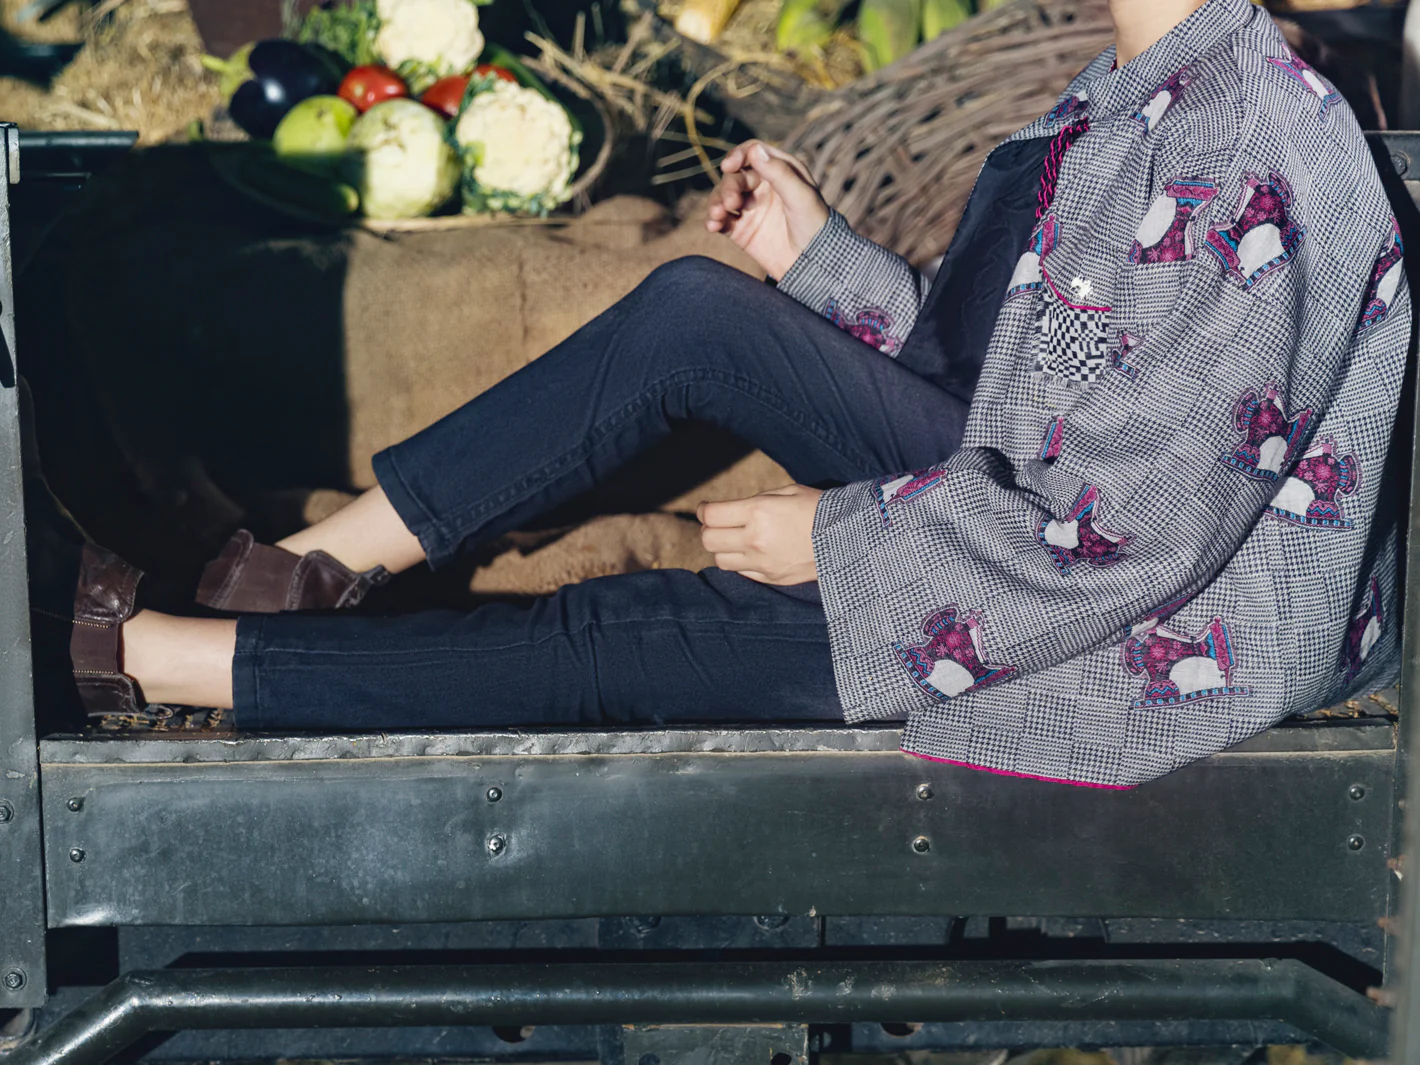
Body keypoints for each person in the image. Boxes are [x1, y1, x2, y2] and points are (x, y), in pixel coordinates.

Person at [30, 0, 1411, 788]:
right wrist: (825, 265)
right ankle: (297, 575)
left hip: (1125, 621)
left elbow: (1143, 537)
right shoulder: (1137, 89)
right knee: (700, 310)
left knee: (627, 635)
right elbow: (1035, 386)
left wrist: (840, 539)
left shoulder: (1244, 142)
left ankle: (164, 658)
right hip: (1031, 526)